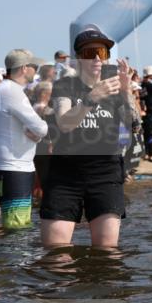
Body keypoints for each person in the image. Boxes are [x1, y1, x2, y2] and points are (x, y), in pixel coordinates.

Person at [40, 27, 135, 248]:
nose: (96, 59)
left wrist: (127, 91)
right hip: (66, 173)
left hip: (105, 172)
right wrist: (92, 98)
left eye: (102, 53)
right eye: (89, 53)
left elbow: (134, 123)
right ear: (78, 58)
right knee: (56, 252)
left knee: (106, 252)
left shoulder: (114, 86)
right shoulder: (65, 85)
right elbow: (64, 123)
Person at [0, 49, 49, 230]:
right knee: (17, 230)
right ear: (24, 68)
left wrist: (35, 136)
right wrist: (39, 133)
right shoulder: (13, 92)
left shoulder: (0, 90)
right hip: (15, 171)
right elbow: (41, 128)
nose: (36, 71)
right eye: (34, 66)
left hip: (1, 170)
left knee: (10, 225)